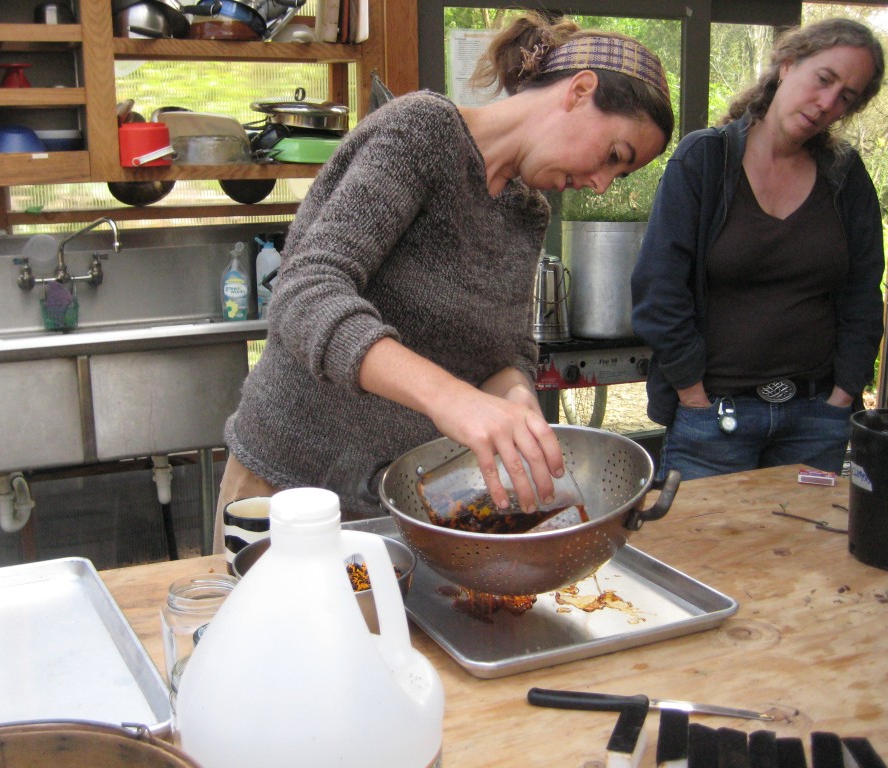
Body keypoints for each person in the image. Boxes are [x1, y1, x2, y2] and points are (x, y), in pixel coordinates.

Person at [213, 12, 674, 547]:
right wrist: (451, 398)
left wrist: (515, 395)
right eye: (613, 156)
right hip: (285, 487)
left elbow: (502, 353)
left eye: (618, 175)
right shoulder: (422, 132)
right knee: (282, 628)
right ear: (579, 91)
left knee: (375, 621)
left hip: (392, 505)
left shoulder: (527, 213)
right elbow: (305, 294)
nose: (599, 185)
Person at [631, 18, 886, 482]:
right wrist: (694, 396)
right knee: (699, 555)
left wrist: (842, 396)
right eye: (824, 79)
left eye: (845, 97)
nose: (827, 102)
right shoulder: (704, 161)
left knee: (800, 553)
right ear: (787, 65)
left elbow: (863, 297)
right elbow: (658, 289)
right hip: (714, 418)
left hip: (816, 418)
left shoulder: (845, 177)